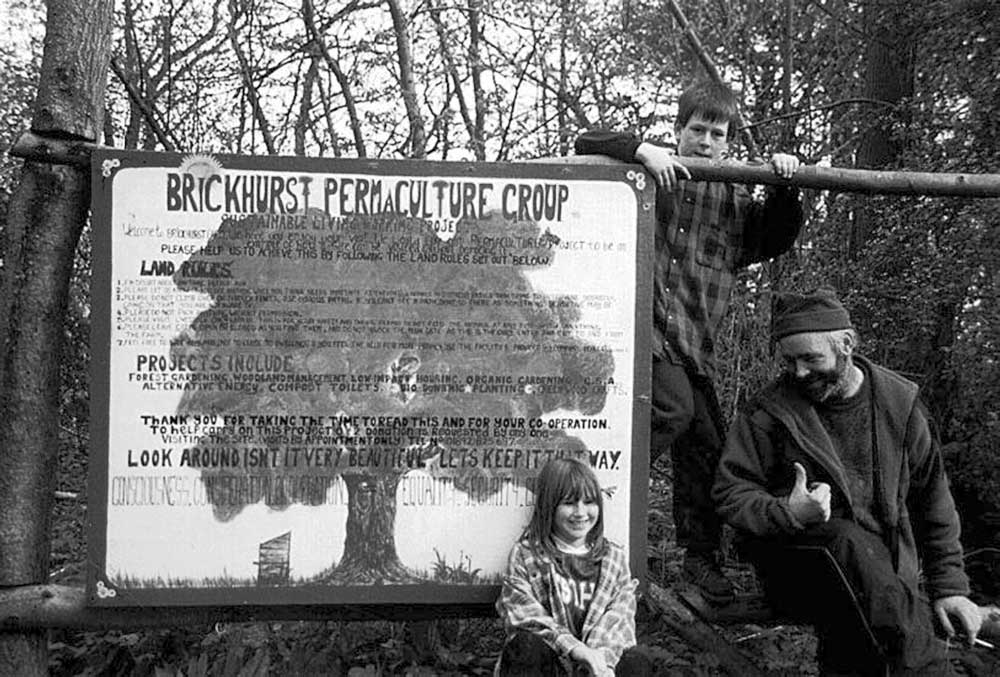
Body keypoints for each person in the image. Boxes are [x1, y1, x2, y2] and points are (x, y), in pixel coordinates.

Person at [574, 80, 803, 603]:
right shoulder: (649, 175)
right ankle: (583, 494)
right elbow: (588, 140)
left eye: (715, 133)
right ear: (679, 132)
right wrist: (639, 149)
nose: (704, 140)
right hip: (641, 334)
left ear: (728, 142)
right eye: (695, 129)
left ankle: (700, 561)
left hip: (694, 345)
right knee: (672, 410)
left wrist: (786, 183)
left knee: (710, 451)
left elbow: (778, 235)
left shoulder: (737, 201)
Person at [713, 288, 983, 676]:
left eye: (811, 358)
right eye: (790, 361)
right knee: (846, 540)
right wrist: (787, 511)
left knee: (859, 645)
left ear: (847, 344)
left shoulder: (900, 405)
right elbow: (730, 492)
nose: (799, 373)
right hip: (797, 565)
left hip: (884, 581)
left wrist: (951, 588)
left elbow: (933, 502)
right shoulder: (768, 412)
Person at [495, 456, 651, 676]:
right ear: (550, 506)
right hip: (553, 662)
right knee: (525, 646)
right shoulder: (526, 554)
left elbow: (620, 619)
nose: (580, 512)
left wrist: (600, 661)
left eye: (589, 502)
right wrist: (576, 649)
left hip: (600, 665)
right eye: (569, 503)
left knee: (638, 660)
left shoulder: (614, 559)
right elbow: (523, 616)